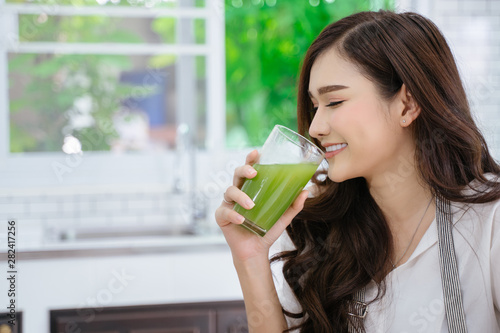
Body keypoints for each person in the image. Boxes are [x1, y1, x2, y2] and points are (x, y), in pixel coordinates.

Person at [215, 10, 500, 333]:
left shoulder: (490, 221)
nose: (316, 127)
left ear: (407, 105)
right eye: (314, 107)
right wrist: (250, 256)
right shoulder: (321, 231)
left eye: (334, 102)